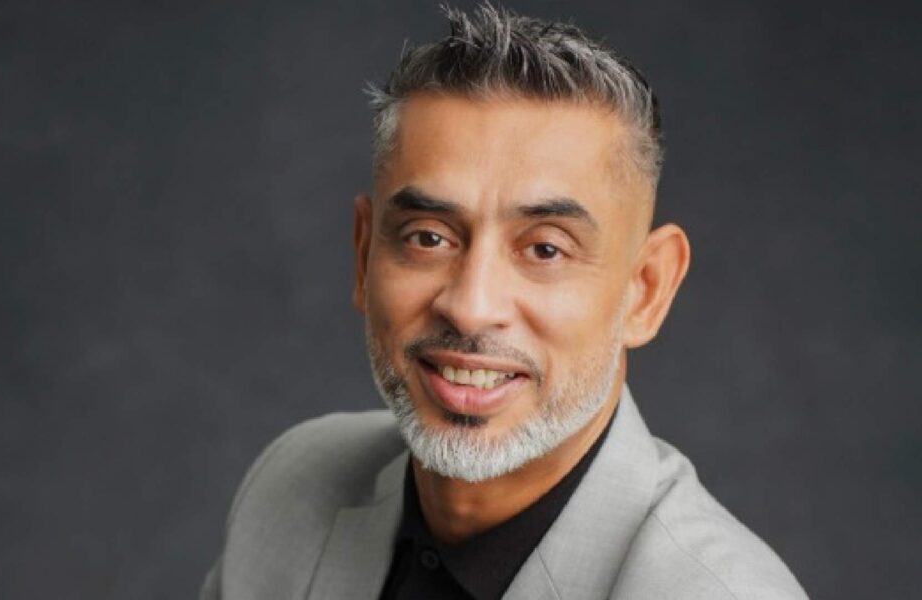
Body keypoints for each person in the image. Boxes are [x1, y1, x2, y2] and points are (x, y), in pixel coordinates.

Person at [200, 4, 808, 599]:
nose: (469, 305)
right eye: (429, 237)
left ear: (645, 291)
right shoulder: (290, 485)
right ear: (364, 256)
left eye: (545, 249)